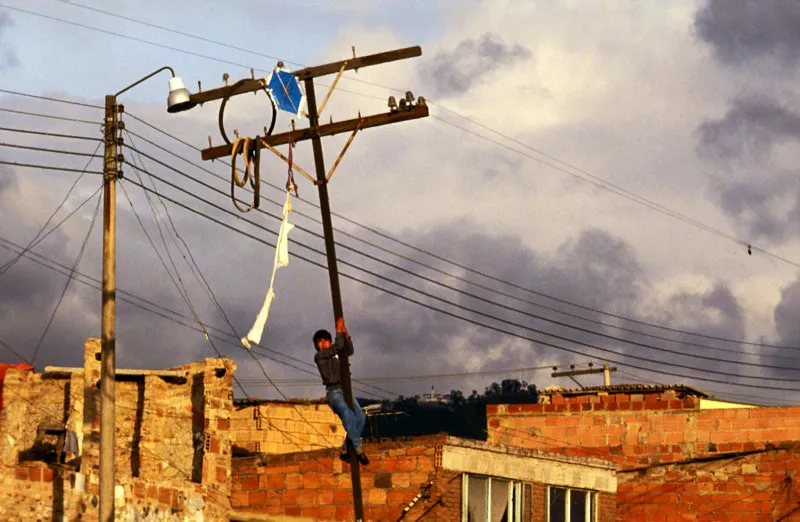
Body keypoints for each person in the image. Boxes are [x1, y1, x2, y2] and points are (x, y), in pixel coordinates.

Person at [313, 317, 369, 465]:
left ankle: (345, 449)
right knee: (348, 415)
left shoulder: (336, 352)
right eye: (319, 342)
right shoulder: (320, 356)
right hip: (334, 392)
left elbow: (348, 350)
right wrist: (339, 331)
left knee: (361, 417)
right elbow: (338, 346)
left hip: (346, 391)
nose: (322, 344)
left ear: (329, 341)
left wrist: (346, 335)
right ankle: (358, 449)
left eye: (325, 340)